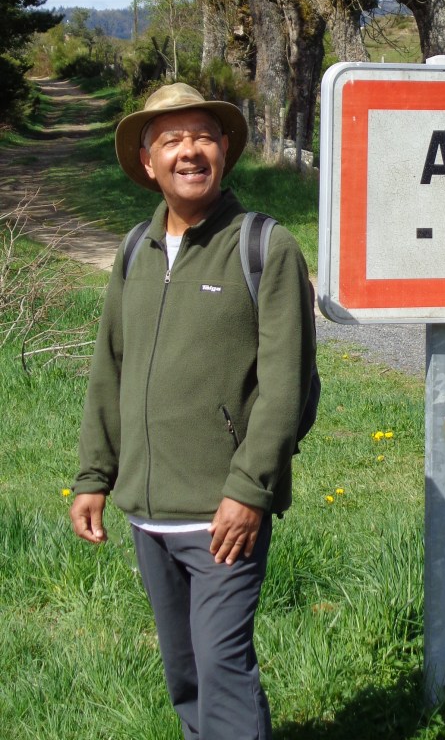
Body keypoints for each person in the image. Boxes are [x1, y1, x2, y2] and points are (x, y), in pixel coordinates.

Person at [70, 82, 317, 740]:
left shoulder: (264, 246)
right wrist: (95, 475)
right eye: (172, 140)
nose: (190, 151)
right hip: (146, 513)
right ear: (147, 161)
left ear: (224, 151)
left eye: (204, 137)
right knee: (184, 675)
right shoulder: (135, 250)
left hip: (222, 515)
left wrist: (249, 490)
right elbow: (110, 367)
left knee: (221, 668)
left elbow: (286, 384)